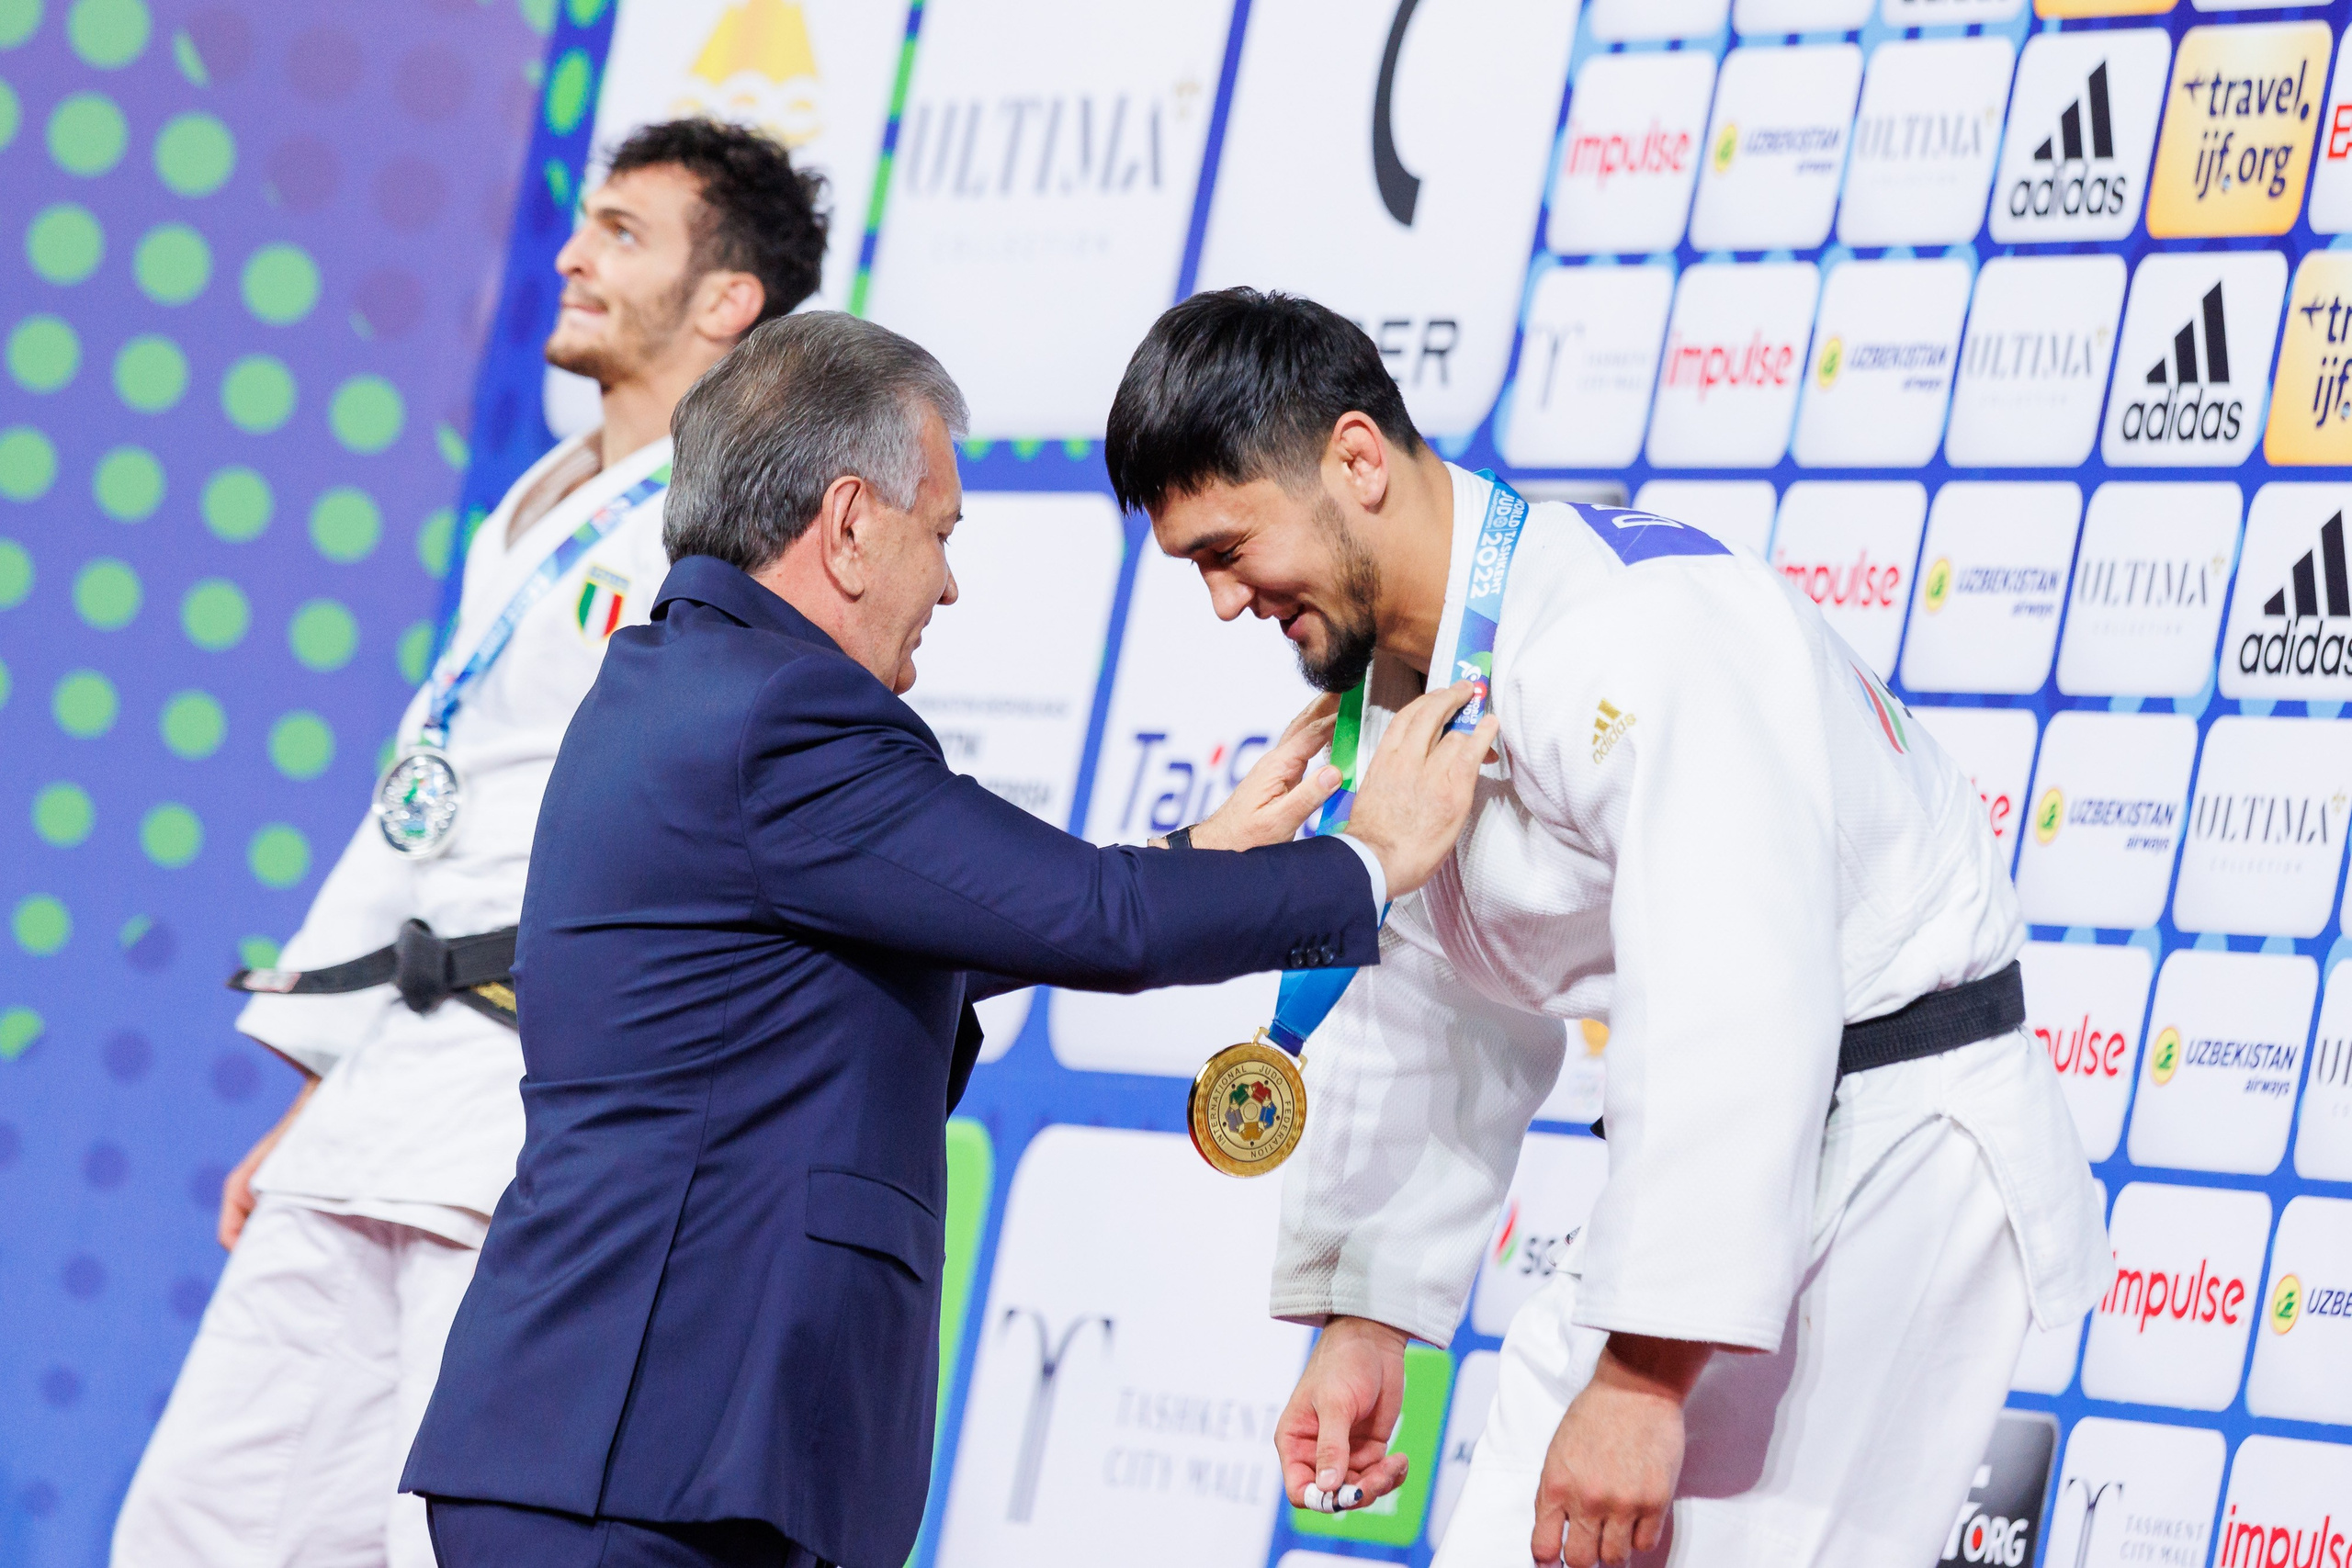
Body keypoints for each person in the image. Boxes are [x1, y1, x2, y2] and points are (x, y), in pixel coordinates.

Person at [399, 310, 1496, 1568]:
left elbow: (890, 950)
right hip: (643, 1457)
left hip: (632, 1444)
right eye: (943, 535)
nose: (952, 582)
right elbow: (1098, 918)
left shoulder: (683, 687)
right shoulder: (782, 715)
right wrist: (1368, 864)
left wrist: (1202, 859)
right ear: (853, 523)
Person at [1102, 288, 2109, 1568]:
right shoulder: (1414, 680)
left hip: (1891, 1153)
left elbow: (1738, 1003)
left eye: (1227, 551)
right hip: (1731, 1190)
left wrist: (1639, 1384)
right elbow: (1428, 995)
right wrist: (1364, 1320)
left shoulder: (1632, 634)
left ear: (1355, 460)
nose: (1225, 605)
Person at [110, 119, 828, 1568]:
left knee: (450, 1542)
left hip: (547, 1103)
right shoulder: (539, 500)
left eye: (623, 233)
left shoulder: (753, 525)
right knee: (202, 1527)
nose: (570, 252)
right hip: (393, 1092)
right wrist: (328, 1077)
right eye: (581, 223)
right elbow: (429, 800)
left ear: (726, 301)